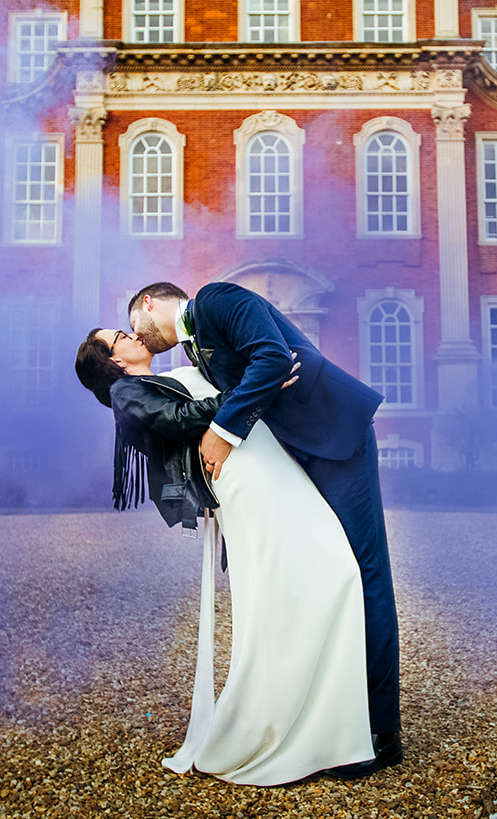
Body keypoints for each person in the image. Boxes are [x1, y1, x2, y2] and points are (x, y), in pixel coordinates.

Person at [74, 328, 375, 786]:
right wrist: (256, 387)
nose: (132, 333)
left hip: (267, 465)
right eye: (120, 336)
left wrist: (259, 382)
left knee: (332, 575)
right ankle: (305, 735)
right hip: (243, 478)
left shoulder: (173, 373)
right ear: (113, 360)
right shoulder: (126, 393)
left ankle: (333, 733)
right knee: (305, 584)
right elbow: (180, 419)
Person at [128, 280, 402, 779]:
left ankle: (383, 733)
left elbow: (272, 358)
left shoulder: (215, 300)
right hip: (299, 453)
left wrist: (222, 431)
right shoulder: (196, 348)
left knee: (364, 575)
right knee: (329, 572)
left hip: (336, 439)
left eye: (133, 327)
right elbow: (268, 367)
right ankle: (335, 720)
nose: (138, 338)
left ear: (149, 302)